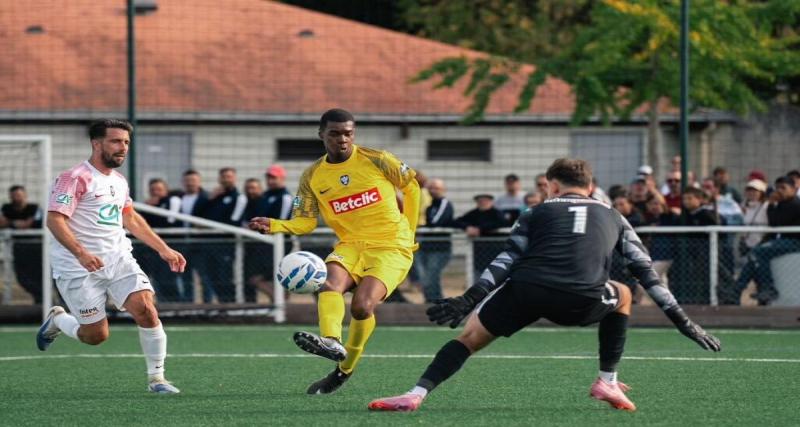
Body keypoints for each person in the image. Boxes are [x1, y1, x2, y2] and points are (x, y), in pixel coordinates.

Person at [367, 158, 720, 412]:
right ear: (592, 188)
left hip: (528, 291)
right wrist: (682, 320)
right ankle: (607, 380)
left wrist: (469, 297)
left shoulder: (536, 211)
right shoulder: (614, 215)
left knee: (469, 339)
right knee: (625, 293)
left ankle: (416, 394)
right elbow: (647, 272)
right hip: (582, 298)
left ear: (552, 186)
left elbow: (507, 259)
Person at [248, 108, 420, 394]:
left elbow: (413, 187)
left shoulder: (378, 159)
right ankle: (331, 341)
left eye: (348, 133)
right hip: (350, 245)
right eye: (335, 134)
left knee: (362, 307)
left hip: (391, 245)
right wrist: (276, 225)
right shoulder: (312, 176)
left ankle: (344, 370)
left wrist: (411, 231)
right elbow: (305, 222)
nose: (343, 139)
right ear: (321, 135)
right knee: (328, 284)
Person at [36, 119, 186, 394]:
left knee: (147, 310)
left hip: (118, 259)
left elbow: (130, 218)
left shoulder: (118, 180)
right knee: (95, 336)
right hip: (77, 267)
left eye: (126, 142)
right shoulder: (74, 177)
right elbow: (55, 219)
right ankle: (58, 320)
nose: (123, 148)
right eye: (116, 141)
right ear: (96, 143)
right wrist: (81, 253)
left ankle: (157, 379)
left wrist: (162, 248)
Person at [734, 176, 800, 305]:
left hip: (795, 242)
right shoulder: (780, 204)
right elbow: (774, 224)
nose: (779, 191)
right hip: (783, 241)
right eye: (778, 188)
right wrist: (771, 205)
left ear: (793, 189)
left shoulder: (795, 205)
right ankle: (738, 289)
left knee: (757, 252)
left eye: (783, 188)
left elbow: (781, 222)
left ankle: (765, 288)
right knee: (755, 255)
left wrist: (773, 205)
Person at [198, 167, 247, 303]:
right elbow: (199, 215)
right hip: (209, 244)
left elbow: (234, 221)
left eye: (229, 176)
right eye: (223, 176)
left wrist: (208, 225)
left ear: (234, 178)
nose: (226, 179)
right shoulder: (215, 197)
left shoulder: (239, 197)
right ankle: (218, 305)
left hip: (226, 244)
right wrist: (210, 199)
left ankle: (230, 304)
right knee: (210, 277)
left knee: (225, 277)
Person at [137, 178, 181, 302]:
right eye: (153, 190)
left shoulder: (172, 200)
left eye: (159, 189)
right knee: (156, 279)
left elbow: (169, 221)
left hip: (172, 246)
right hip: (153, 248)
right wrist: (146, 208)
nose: (156, 192)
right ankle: (163, 304)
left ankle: (176, 304)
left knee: (168, 278)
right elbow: (141, 225)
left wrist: (153, 208)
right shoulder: (147, 206)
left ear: (166, 190)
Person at [171, 169, 210, 303]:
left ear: (199, 182)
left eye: (193, 180)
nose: (190, 183)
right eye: (187, 181)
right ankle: (188, 303)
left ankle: (208, 304)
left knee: (204, 276)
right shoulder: (177, 198)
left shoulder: (207, 198)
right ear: (183, 182)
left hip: (200, 243)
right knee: (185, 275)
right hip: (182, 242)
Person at [0, 185, 44, 303]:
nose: (17, 198)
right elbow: (2, 223)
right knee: (22, 278)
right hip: (18, 247)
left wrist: (12, 223)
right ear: (10, 197)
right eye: (14, 196)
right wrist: (16, 223)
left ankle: (43, 301)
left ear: (25, 195)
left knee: (40, 276)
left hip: (36, 247)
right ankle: (40, 298)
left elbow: (28, 225)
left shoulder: (34, 208)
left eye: (19, 195)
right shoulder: (6, 208)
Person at [453, 194, 509, 278]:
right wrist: (468, 227)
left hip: (495, 248)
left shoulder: (497, 213)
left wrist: (480, 229)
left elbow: (502, 222)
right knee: (479, 273)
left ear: (491, 202)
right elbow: (457, 221)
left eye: (485, 201)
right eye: (480, 201)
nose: (482, 203)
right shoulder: (474, 213)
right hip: (479, 250)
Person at [417, 178, 454, 303]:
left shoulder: (445, 203)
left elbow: (435, 222)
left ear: (443, 190)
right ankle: (431, 300)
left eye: (436, 188)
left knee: (431, 275)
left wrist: (424, 227)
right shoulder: (429, 207)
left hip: (440, 248)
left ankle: (436, 300)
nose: (433, 191)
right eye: (431, 188)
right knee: (425, 277)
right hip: (426, 246)